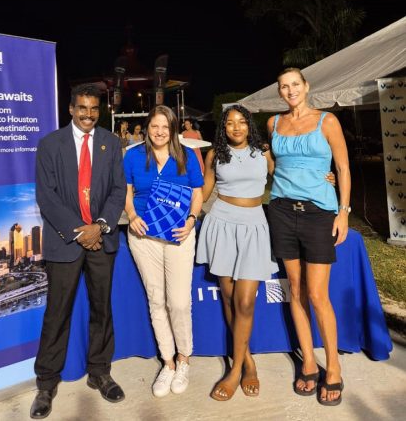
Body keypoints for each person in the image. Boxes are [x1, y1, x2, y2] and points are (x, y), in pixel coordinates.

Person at [31, 84, 127, 419]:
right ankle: (46, 383)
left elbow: (117, 191)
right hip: (65, 242)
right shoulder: (50, 145)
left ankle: (100, 372)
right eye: (82, 108)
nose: (88, 115)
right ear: (71, 109)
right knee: (57, 312)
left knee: (102, 309)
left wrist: (98, 227)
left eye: (94, 109)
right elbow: (47, 197)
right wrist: (80, 232)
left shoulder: (111, 143)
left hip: (102, 240)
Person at [266, 67, 351, 407]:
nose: (290, 91)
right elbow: (273, 161)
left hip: (319, 214)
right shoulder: (273, 124)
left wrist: (343, 211)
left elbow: (343, 168)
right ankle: (309, 361)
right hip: (282, 211)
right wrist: (295, 174)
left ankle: (334, 366)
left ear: (306, 86)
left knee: (317, 295)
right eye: (284, 87)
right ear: (280, 92)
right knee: (296, 291)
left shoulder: (326, 121)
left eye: (295, 85)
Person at [196, 104, 279, 401]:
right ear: (223, 127)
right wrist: (187, 213)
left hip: (255, 225)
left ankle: (234, 371)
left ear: (249, 125)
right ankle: (247, 362)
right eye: (230, 123)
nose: (236, 127)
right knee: (229, 299)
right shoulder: (215, 155)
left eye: (241, 122)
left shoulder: (263, 152)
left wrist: (325, 179)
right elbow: (204, 190)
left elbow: (286, 177)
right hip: (221, 224)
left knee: (245, 302)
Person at [123, 105, 204, 398]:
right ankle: (168, 363)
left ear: (173, 129)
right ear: (147, 128)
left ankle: (184, 358)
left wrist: (192, 220)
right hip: (144, 237)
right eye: (154, 126)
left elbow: (197, 192)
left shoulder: (186, 154)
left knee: (179, 302)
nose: (159, 132)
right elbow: (126, 190)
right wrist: (131, 215)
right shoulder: (133, 155)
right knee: (156, 300)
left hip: (179, 236)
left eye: (165, 127)